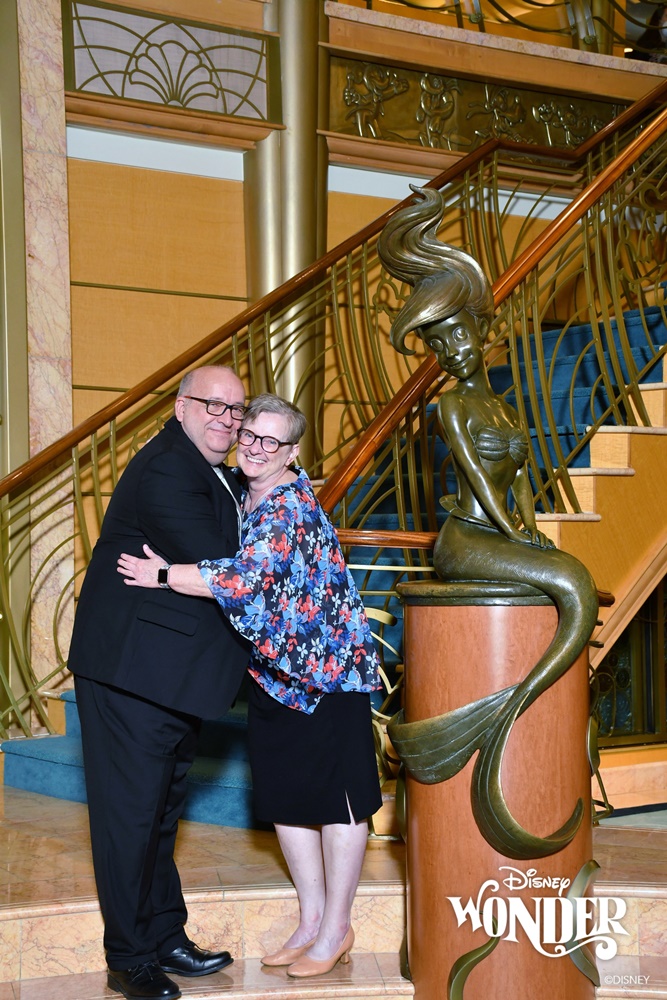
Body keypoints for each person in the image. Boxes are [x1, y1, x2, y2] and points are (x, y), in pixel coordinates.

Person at [117, 393, 383, 979]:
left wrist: (162, 574)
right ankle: (311, 922)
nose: (256, 449)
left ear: (292, 451)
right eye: (250, 436)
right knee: (287, 801)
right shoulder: (241, 492)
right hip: (274, 674)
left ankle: (336, 928)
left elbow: (243, 579)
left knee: (338, 805)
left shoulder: (288, 507)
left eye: (271, 441)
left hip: (327, 676)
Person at [378, 187, 599, 860]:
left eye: (456, 334)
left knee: (571, 583)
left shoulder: (502, 406)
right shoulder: (451, 407)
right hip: (467, 539)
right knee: (574, 583)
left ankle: (509, 706)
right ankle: (508, 707)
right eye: (436, 343)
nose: (450, 350)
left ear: (479, 329)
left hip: (500, 532)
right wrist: (515, 534)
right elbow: (476, 480)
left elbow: (521, 479)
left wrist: (528, 526)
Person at [67, 365, 252, 1000]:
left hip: (169, 674)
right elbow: (222, 562)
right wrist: (276, 539)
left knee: (160, 813)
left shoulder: (211, 470)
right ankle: (129, 958)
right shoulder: (170, 466)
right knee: (129, 819)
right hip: (132, 674)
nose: (225, 419)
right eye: (212, 405)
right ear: (181, 406)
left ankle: (164, 934)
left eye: (235, 409)